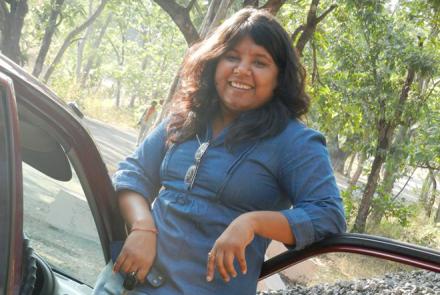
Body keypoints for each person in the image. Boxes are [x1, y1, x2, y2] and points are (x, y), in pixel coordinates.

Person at [94, 8, 346, 295]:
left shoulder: (295, 142)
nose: (242, 69)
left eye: (260, 62)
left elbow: (328, 215)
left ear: (280, 78)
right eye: (232, 56)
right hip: (128, 283)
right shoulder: (187, 118)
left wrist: (251, 223)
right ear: (214, 62)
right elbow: (133, 173)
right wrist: (142, 227)